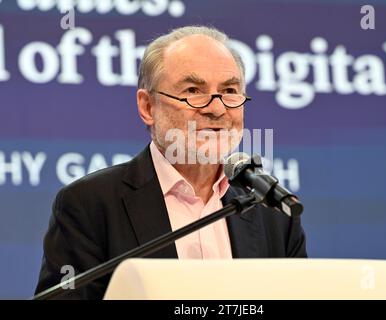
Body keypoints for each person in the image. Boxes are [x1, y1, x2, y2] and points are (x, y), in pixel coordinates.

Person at [34, 25, 307, 300]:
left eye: (229, 90)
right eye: (193, 90)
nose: (216, 108)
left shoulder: (272, 212)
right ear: (147, 107)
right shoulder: (89, 205)